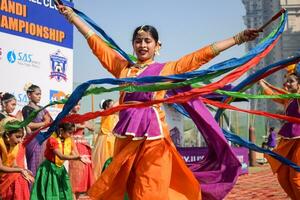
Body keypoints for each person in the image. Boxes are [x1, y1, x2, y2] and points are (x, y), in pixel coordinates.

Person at [58, 5, 259, 199]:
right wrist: (72, 17)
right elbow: (96, 43)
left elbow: (201, 55)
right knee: (130, 187)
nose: (142, 45)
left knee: (149, 190)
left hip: (154, 139)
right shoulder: (123, 69)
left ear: (157, 45)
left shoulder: (167, 70)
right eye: (138, 41)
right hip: (125, 138)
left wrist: (238, 38)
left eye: (147, 41)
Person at [259, 64, 300, 200]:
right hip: (287, 140)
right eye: (286, 81)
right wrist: (261, 82)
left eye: (290, 81)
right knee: (282, 175)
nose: (286, 84)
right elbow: (272, 94)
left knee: (296, 178)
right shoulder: (288, 98)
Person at [30, 122, 91, 200]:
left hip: (60, 169)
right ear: (61, 130)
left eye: (72, 133)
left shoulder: (68, 140)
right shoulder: (52, 140)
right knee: (50, 190)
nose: (71, 135)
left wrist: (81, 158)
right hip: (49, 169)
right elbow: (61, 156)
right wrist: (78, 157)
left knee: (63, 192)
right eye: (70, 133)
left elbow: (73, 153)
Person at [0, 117, 34, 200]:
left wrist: (23, 170)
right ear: (7, 134)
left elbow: (14, 165)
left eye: (21, 137)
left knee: (21, 179)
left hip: (5, 178)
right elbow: (0, 167)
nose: (20, 141)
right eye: (17, 137)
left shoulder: (13, 146)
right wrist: (20, 170)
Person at [22, 83, 52, 176]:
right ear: (29, 95)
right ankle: (32, 189)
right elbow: (29, 124)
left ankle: (41, 189)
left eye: (40, 94)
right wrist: (43, 123)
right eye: (37, 94)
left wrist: (44, 123)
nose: (39, 97)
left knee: (43, 166)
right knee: (33, 165)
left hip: (43, 138)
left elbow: (50, 120)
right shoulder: (27, 109)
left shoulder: (42, 108)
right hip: (33, 139)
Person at [68, 103, 95, 199]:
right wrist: (81, 126)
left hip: (83, 145)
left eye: (79, 104)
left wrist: (87, 124)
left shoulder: (81, 116)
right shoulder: (67, 116)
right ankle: (73, 196)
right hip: (73, 145)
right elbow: (69, 128)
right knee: (75, 171)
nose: (78, 106)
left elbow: (93, 128)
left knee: (84, 171)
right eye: (76, 104)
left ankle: (79, 195)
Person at [92, 99, 118, 179]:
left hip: (112, 138)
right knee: (104, 158)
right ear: (106, 107)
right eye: (111, 104)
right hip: (105, 139)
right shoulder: (105, 114)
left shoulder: (114, 115)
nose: (113, 106)